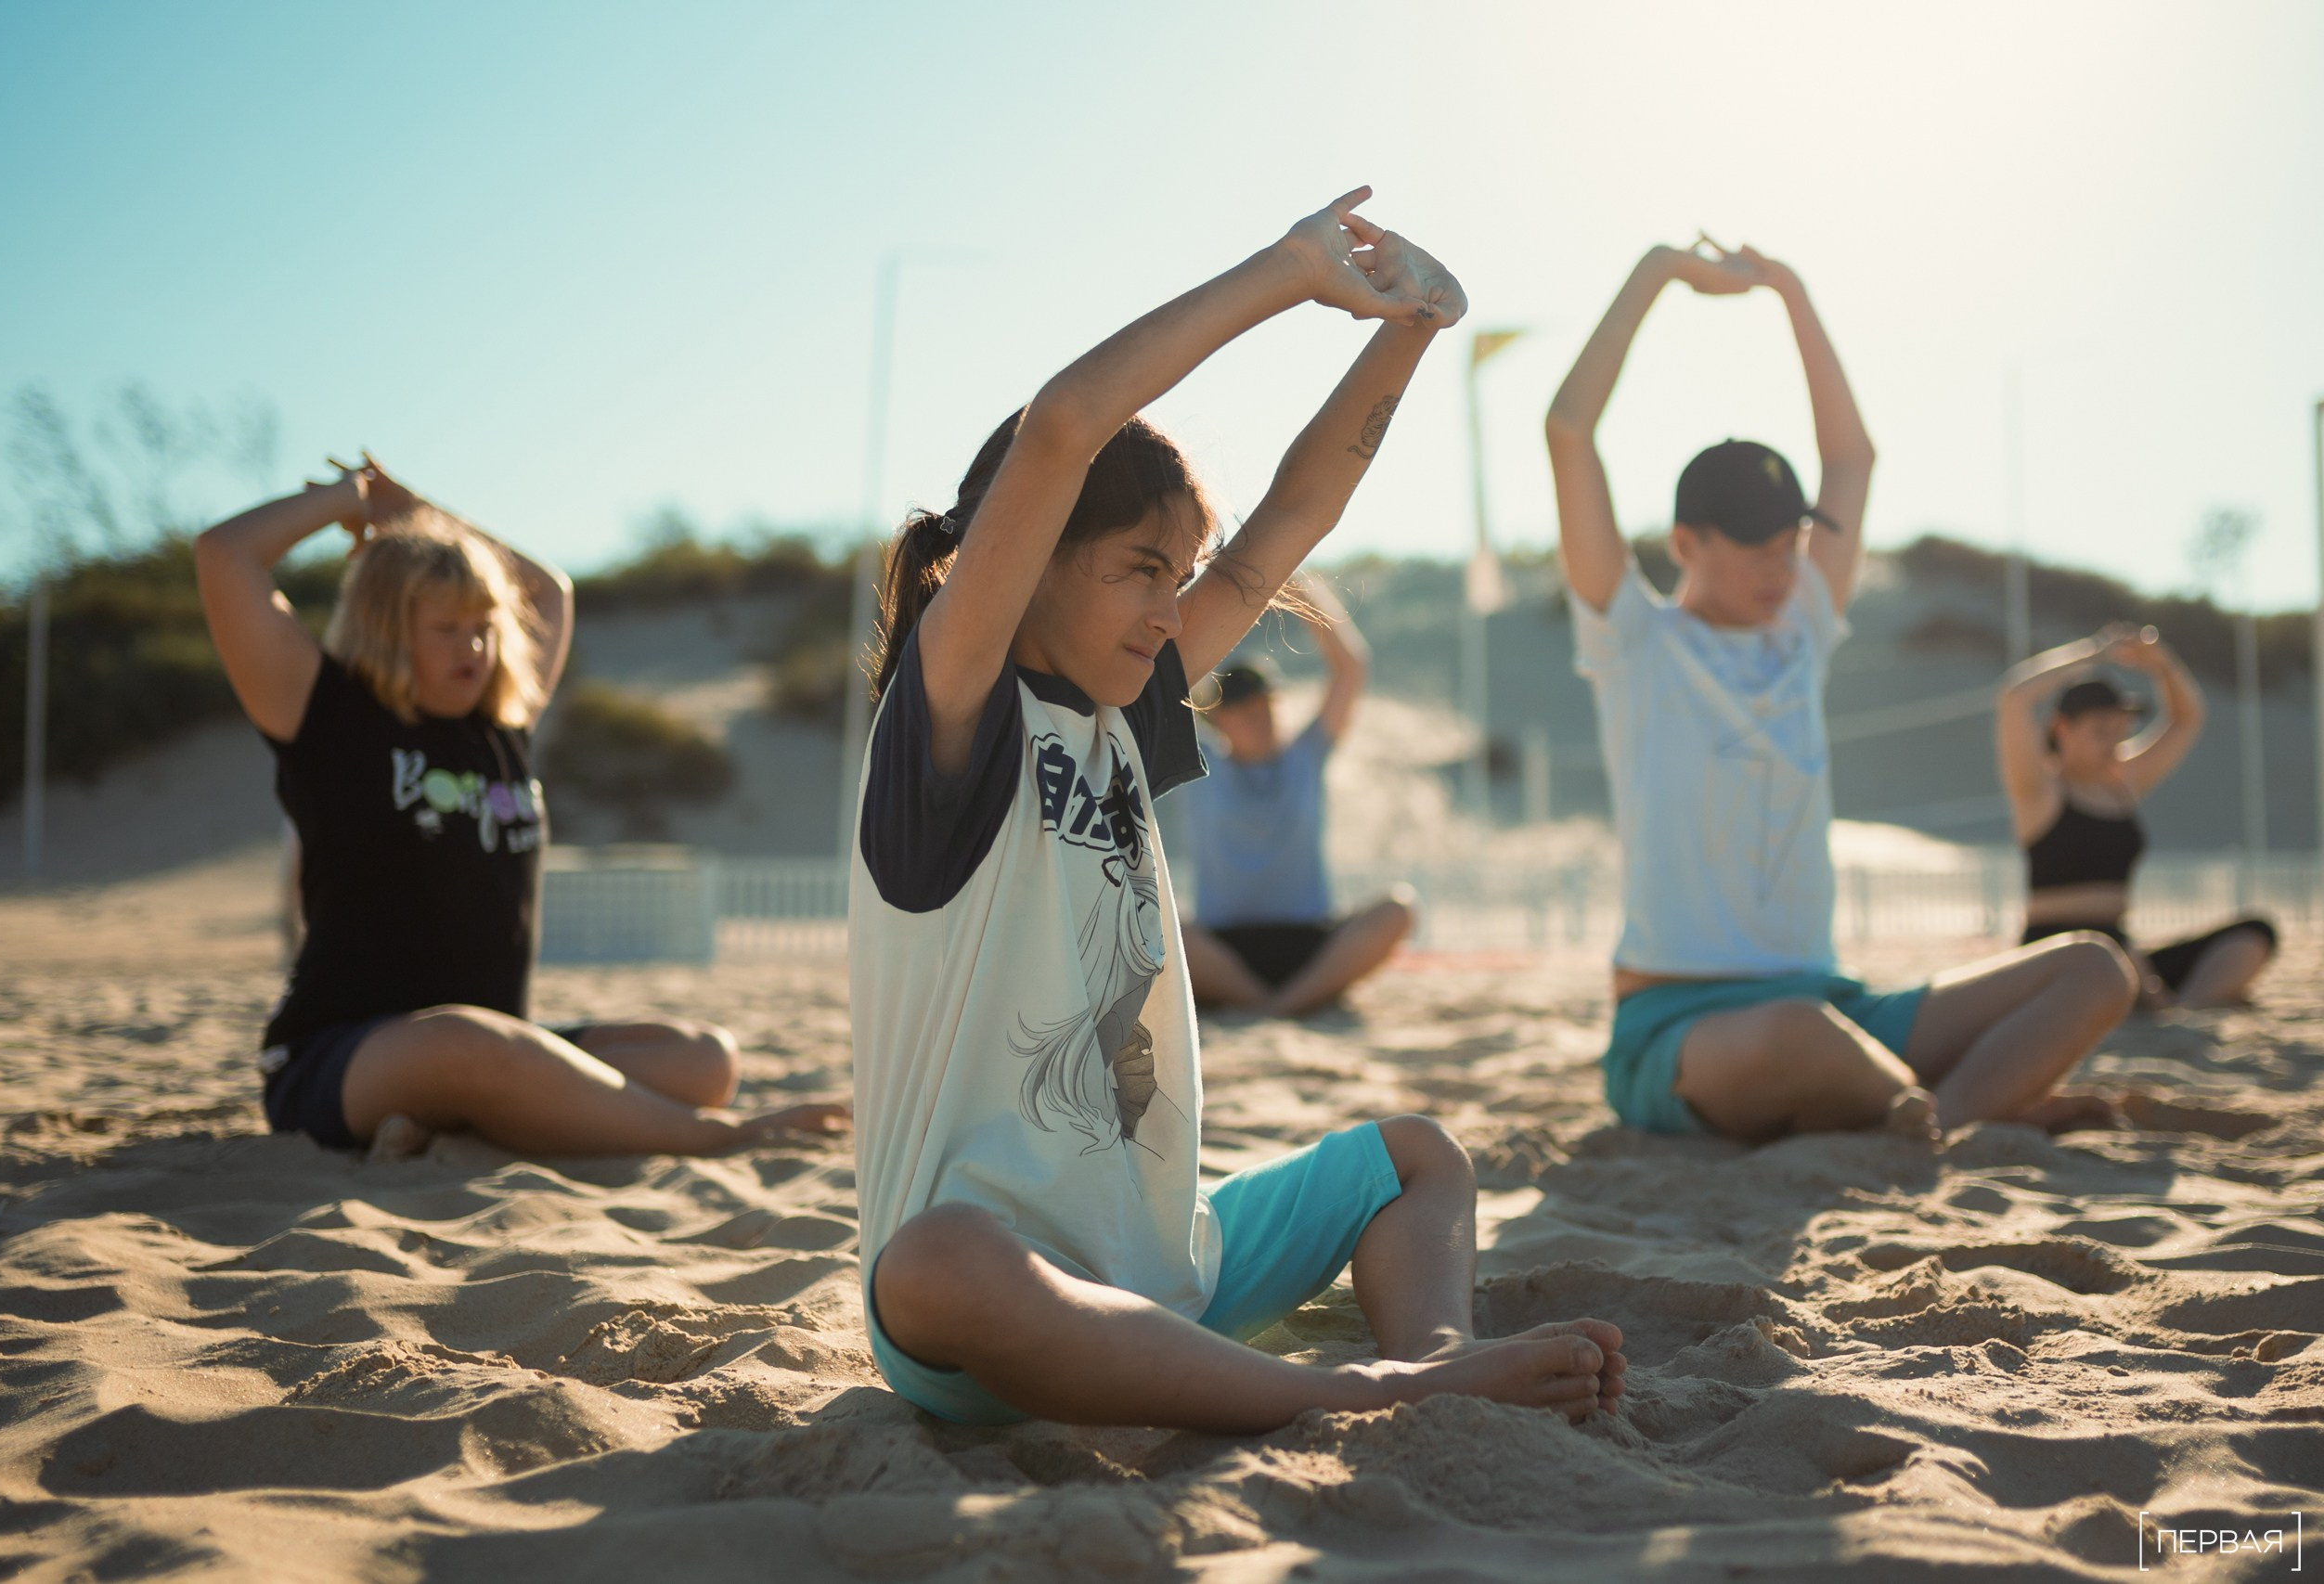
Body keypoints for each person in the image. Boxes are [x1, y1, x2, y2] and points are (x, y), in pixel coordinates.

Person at [850, 188, 1625, 1432]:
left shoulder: (1127, 716)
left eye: (1179, 574)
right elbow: (1061, 429)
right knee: (932, 1262)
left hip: (1172, 1271)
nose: (1175, 609)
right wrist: (1284, 273)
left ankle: (1433, 1360)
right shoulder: (955, 715)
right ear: (1033, 556)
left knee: (1417, 1154)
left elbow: (1284, 530)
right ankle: (1366, 1387)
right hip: (999, 1299)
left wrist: (1411, 329)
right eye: (1141, 570)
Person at [1544, 238, 2137, 1145]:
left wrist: (1791, 290)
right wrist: (1659, 271)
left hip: (1834, 1003)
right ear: (1684, 542)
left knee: (2096, 971)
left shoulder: (1801, 633)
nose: (1782, 565)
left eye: (1791, 541)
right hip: (1681, 1029)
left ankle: (1936, 1119)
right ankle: (1947, 1105)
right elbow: (1569, 431)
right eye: (1754, 543)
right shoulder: (1634, 642)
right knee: (1797, 1037)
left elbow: (1851, 459)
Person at [195, 457, 847, 1159]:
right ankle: (716, 1137)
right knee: (465, 1040)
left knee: (703, 1059)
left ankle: (451, 1124)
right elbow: (223, 555)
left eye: (483, 625)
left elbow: (546, 589)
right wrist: (348, 497)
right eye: (445, 627)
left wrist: (417, 511)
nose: (472, 646)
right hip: (339, 1057)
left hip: (497, 1038)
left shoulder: (500, 723)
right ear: (386, 628)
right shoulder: (326, 712)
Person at [1998, 625, 2275, 1008]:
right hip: (2057, 952)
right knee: (2105, 961)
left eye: (2121, 730)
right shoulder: (2038, 790)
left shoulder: (2121, 783)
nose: (2114, 741)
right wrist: (2096, 651)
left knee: (2253, 934)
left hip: (2123, 947)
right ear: (2062, 728)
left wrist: (2163, 665)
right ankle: (2150, 1003)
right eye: (2101, 731)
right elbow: (2014, 697)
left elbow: (2186, 719)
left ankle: (2183, 1011)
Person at [1181, 574, 1414, 1016]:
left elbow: (1351, 668)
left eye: (1267, 705)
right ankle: (1270, 1003)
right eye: (1246, 711)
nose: (1261, 717)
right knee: (1154, 921)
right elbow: (1159, 680)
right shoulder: (1199, 764)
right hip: (1223, 950)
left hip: (1310, 943)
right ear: (1218, 722)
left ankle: (1280, 1003)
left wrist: (1296, 585)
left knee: (1399, 910)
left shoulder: (1305, 756)